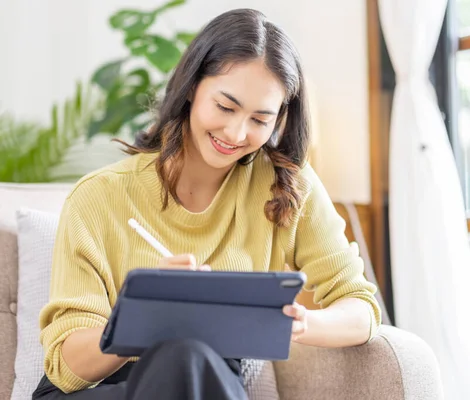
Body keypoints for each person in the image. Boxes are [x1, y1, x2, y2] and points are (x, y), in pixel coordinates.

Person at [33, 8, 381, 400]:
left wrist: (297, 323)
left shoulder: (286, 186)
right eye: (225, 107)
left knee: (191, 360)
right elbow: (67, 368)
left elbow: (361, 307)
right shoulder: (98, 197)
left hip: (207, 380)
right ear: (191, 86)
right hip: (104, 389)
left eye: (260, 119)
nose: (236, 133)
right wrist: (146, 317)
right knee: (183, 357)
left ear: (280, 119)